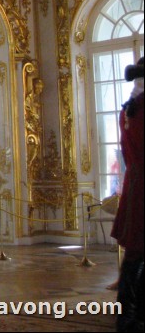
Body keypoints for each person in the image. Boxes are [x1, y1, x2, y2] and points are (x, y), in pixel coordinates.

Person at [112, 56, 144, 332]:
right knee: (137, 253)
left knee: (136, 252)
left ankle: (128, 312)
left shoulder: (127, 110)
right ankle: (129, 313)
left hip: (136, 182)